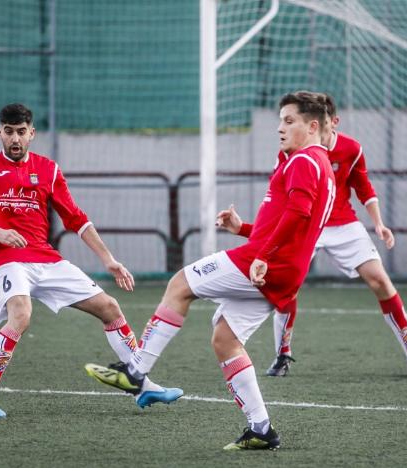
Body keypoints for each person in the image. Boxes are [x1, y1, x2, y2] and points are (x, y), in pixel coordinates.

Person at [86, 91, 336, 450]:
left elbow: (297, 215)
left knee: (180, 284)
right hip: (283, 268)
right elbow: (294, 221)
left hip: (264, 262)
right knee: (225, 340)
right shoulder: (316, 166)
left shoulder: (304, 162)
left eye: (289, 120)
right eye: (280, 119)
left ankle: (135, 370)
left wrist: (262, 253)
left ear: (313, 126)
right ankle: (261, 429)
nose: (280, 127)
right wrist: (244, 229)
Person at [0, 103, 183, 419]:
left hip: (46, 259)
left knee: (110, 308)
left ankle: (141, 385)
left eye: (21, 132)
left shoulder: (48, 169)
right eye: (8, 132)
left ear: (32, 133)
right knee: (21, 315)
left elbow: (76, 219)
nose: (15, 139)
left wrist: (109, 260)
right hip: (7, 259)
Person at [219, 94, 407, 380]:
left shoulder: (351, 149)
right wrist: (248, 229)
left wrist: (379, 224)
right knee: (288, 288)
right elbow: (281, 205)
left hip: (343, 224)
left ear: (329, 123)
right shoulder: (292, 152)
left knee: (381, 281)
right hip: (306, 225)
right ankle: (282, 355)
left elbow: (364, 188)